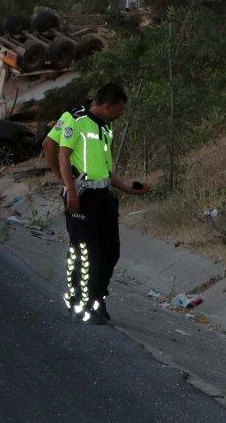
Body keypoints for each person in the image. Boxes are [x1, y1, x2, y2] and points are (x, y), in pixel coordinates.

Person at [57, 83, 150, 325]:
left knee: (110, 250)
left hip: (103, 196)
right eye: (119, 109)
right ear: (107, 106)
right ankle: (80, 301)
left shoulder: (106, 127)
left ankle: (97, 296)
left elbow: (106, 170)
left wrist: (129, 189)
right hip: (82, 195)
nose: (121, 114)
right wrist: (70, 191)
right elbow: (62, 155)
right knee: (83, 251)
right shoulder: (76, 120)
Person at [44, 100, 89, 312]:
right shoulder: (74, 117)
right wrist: (64, 180)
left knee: (84, 244)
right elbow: (49, 145)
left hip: (94, 191)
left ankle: (84, 292)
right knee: (78, 244)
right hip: (76, 189)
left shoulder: (100, 122)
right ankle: (75, 291)